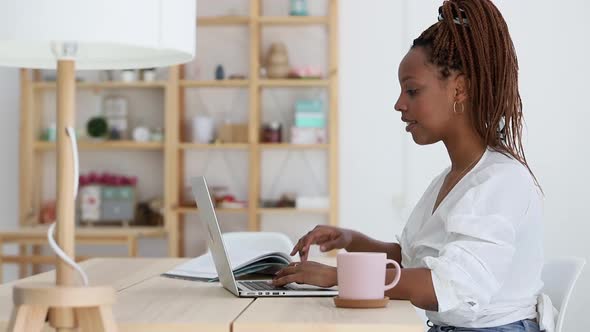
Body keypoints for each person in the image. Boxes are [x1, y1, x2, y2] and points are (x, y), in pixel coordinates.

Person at [272, 1, 545, 331]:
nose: (399, 104)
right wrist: (350, 238)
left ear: (459, 88)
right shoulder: (452, 179)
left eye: (412, 90)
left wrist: (338, 276)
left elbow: (447, 285)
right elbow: (413, 263)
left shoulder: (501, 181)